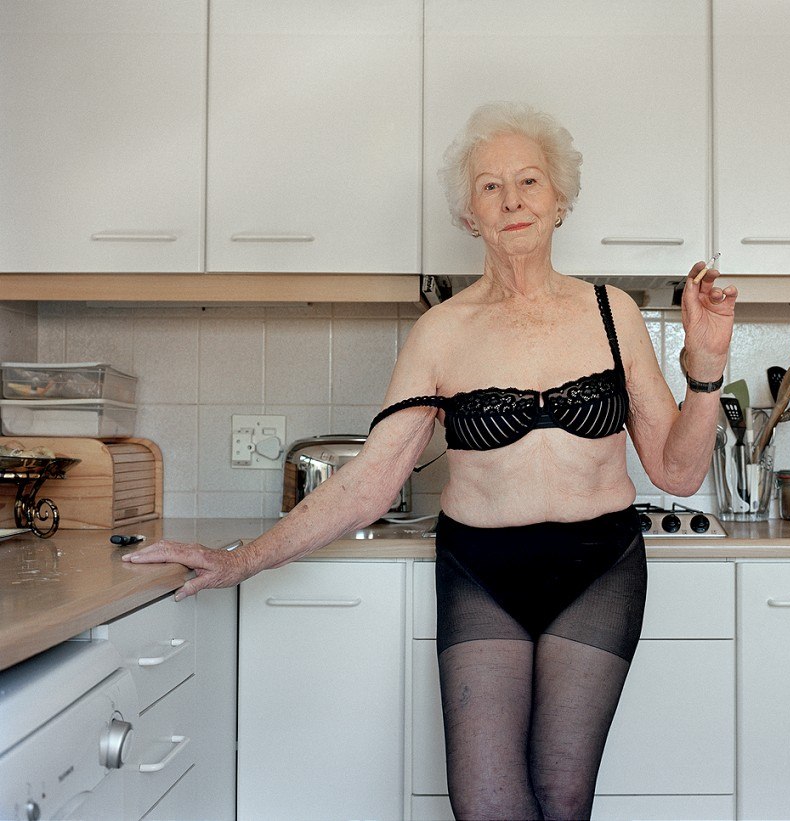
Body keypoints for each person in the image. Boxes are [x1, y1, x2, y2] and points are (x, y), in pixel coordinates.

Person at [122, 101, 737, 820]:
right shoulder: (441, 332)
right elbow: (370, 482)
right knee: (484, 804)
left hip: (599, 567)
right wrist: (242, 560)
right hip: (481, 572)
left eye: (530, 181)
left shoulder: (612, 313)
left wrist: (706, 368)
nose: (512, 200)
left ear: (560, 199)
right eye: (490, 186)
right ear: (469, 216)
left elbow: (677, 471)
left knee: (563, 795)